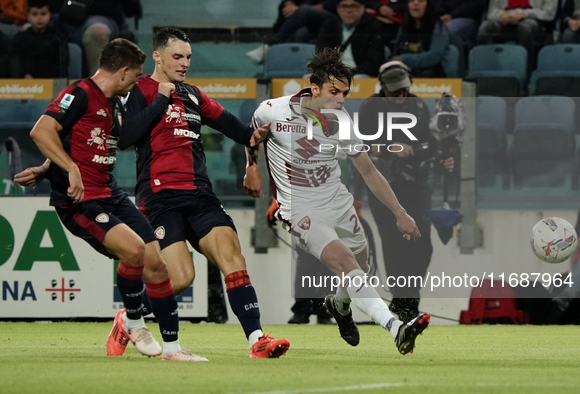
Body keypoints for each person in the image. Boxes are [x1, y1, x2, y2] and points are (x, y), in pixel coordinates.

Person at [13, 38, 206, 362]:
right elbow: (42, 131)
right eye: (135, 75)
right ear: (122, 71)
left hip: (110, 192)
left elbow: (79, 141)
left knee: (157, 265)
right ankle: (136, 325)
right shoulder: (78, 94)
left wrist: (48, 167)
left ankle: (170, 348)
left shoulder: (116, 102)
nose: (136, 81)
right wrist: (66, 168)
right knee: (133, 251)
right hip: (80, 201)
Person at [116, 27, 290, 359]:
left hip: (200, 195)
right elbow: (125, 138)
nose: (184, 63)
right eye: (177, 57)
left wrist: (256, 147)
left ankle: (257, 339)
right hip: (159, 197)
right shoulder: (139, 89)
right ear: (157, 55)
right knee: (179, 278)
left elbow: (240, 132)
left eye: (188, 57)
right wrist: (162, 100)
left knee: (233, 259)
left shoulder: (194, 94)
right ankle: (130, 317)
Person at [244, 47, 430, 355]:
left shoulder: (341, 120)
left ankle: (339, 305)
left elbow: (369, 171)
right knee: (346, 263)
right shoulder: (270, 110)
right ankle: (396, 328)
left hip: (337, 202)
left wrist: (399, 212)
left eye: (345, 92)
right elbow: (251, 140)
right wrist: (251, 168)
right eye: (334, 91)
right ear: (314, 88)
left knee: (362, 265)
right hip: (300, 209)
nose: (341, 99)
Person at [354, 60, 454, 322]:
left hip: (418, 185)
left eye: (404, 90)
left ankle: (408, 299)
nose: (400, 95)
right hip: (383, 187)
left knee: (424, 245)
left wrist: (442, 158)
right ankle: (403, 302)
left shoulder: (419, 105)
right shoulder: (370, 108)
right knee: (394, 243)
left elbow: (431, 144)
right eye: (394, 90)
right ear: (382, 86)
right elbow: (360, 148)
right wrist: (392, 146)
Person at [50, 0, 139, 76]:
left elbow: (128, 8)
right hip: (59, 15)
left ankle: (96, 87)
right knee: (40, 20)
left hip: (99, 16)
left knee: (98, 33)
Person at [317, 0, 384, 77]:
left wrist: (349, 73)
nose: (349, 10)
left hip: (360, 73)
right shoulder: (330, 26)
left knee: (358, 78)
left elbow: (374, 62)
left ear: (362, 8)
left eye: (353, 6)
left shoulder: (373, 27)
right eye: (344, 6)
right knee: (310, 77)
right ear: (338, 9)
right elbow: (321, 55)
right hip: (332, 73)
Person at [391, 0, 450, 77]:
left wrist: (404, 59)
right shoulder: (403, 27)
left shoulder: (438, 27)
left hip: (433, 76)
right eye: (411, 1)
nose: (415, 3)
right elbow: (396, 52)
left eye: (420, 1)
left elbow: (434, 56)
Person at [11, 0, 68, 78]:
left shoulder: (57, 38)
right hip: (23, 84)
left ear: (49, 15)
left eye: (43, 14)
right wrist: (24, 75)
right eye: (35, 14)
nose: (39, 18)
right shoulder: (20, 38)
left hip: (49, 82)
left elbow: (60, 67)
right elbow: (14, 62)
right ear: (28, 16)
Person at [477, 0, 557, 54]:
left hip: (532, 20)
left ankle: (526, 69)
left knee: (526, 27)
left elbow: (549, 13)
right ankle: (483, 71)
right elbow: (491, 12)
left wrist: (525, 14)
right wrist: (500, 15)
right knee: (485, 27)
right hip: (504, 21)